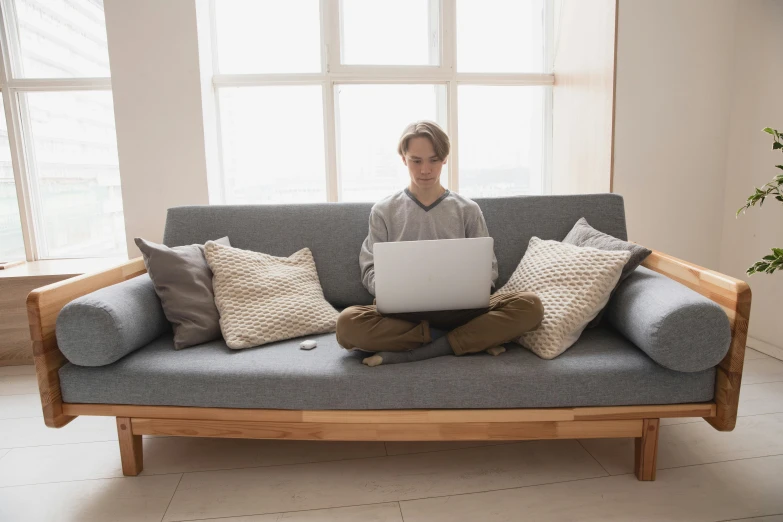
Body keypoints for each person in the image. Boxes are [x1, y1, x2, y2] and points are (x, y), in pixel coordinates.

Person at [336, 120, 544, 367]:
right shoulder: (383, 211)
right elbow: (369, 270)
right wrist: (392, 288)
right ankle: (459, 341)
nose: (425, 169)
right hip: (404, 316)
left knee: (531, 306)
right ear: (403, 159)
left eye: (434, 160)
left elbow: (489, 269)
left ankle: (424, 349)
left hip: (463, 313)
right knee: (347, 324)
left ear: (444, 159)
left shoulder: (468, 209)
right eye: (416, 160)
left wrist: (473, 286)